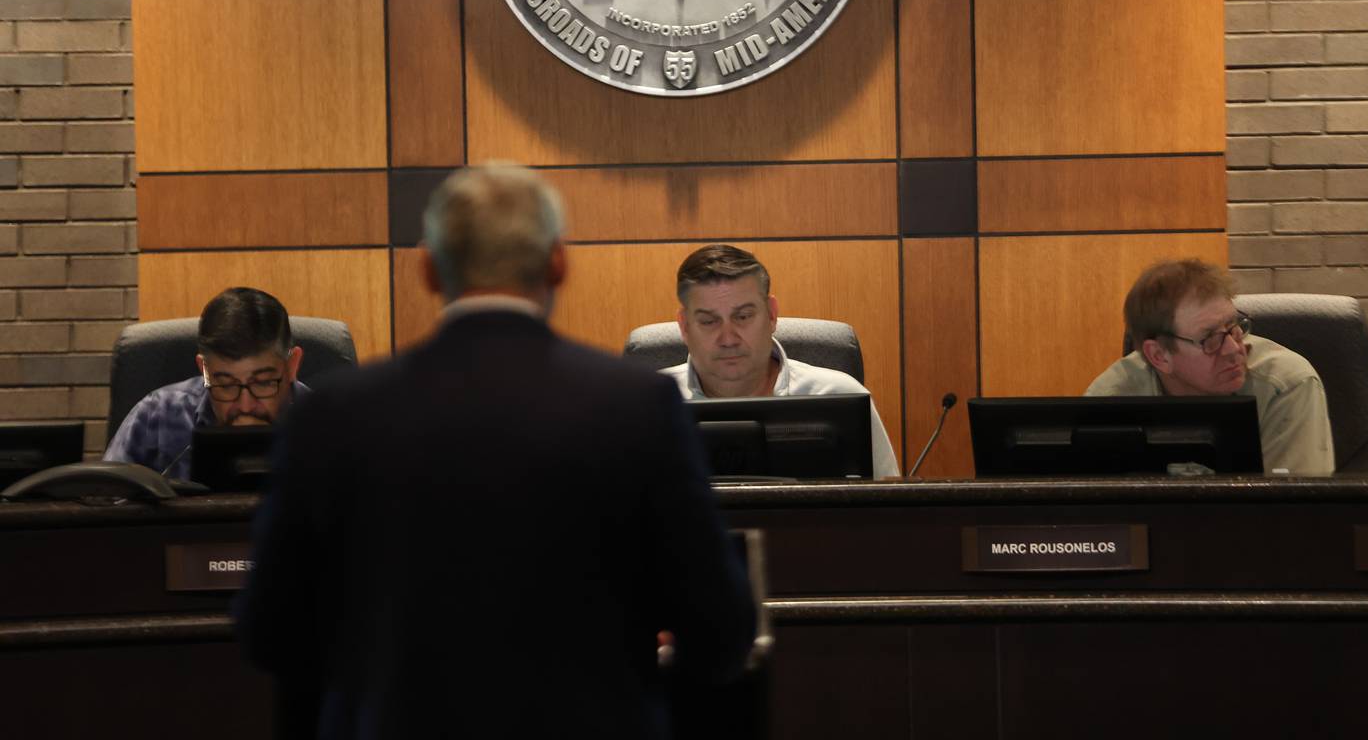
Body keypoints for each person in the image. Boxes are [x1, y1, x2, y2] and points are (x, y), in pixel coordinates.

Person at [235, 163, 756, 739]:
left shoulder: (333, 416)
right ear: (558, 263)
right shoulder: (638, 406)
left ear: (430, 269)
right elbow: (720, 632)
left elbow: (271, 631)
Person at [663, 243, 901, 478]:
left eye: (743, 316)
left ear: (772, 315)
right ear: (684, 326)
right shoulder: (645, 406)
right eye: (708, 321)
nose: (728, 339)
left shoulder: (838, 392)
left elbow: (892, 510)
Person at [1085, 258, 1334, 475]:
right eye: (1210, 339)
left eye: (1233, 327)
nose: (1234, 349)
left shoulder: (1286, 384)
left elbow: (1296, 511)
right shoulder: (1111, 399)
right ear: (1159, 356)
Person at [104, 287, 305, 480]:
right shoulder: (158, 415)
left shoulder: (327, 423)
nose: (245, 406)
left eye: (262, 383)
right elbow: (105, 501)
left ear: (292, 365)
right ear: (204, 370)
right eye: (226, 385)